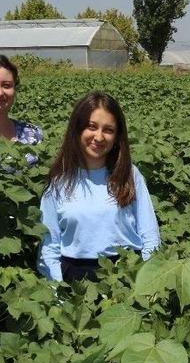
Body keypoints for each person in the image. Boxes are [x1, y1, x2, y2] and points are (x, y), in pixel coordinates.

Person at [37, 91, 160, 282]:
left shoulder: (129, 175)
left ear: (118, 135)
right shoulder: (59, 181)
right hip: (75, 278)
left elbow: (149, 234)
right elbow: (50, 245)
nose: (99, 137)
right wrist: (57, 291)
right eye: (91, 127)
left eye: (108, 130)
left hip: (127, 272)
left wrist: (149, 283)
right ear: (77, 129)